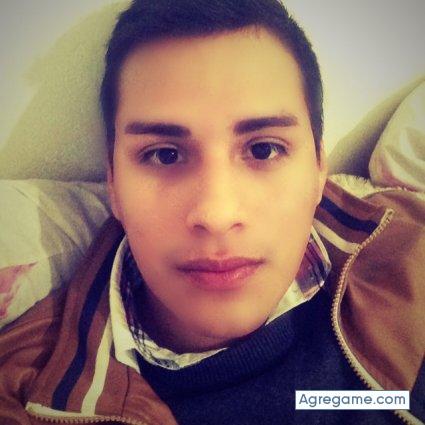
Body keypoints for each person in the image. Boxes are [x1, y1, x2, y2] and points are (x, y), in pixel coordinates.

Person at [0, 1, 423, 424]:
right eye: (164, 155)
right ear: (114, 184)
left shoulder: (411, 262)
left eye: (264, 149)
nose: (217, 215)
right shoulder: (23, 395)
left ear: (318, 169)